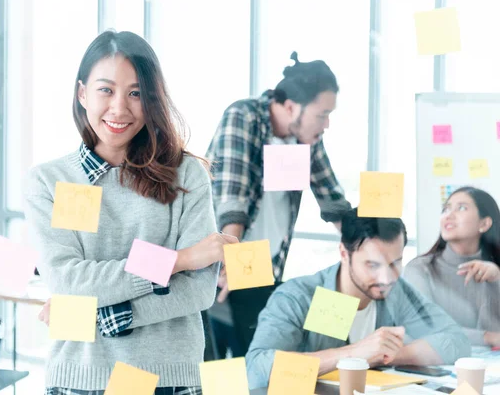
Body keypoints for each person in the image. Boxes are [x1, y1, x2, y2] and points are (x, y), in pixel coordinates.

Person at [25, 30, 238, 394]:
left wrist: (102, 313)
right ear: (82, 94)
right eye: (105, 90)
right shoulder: (49, 180)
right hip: (80, 379)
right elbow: (66, 280)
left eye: (136, 93)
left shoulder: (186, 174)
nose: (120, 108)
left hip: (168, 381)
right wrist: (179, 259)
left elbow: (199, 291)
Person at [205, 52, 352, 356]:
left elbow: (332, 199)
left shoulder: (305, 136)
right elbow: (233, 199)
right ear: (290, 106)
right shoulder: (243, 116)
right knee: (233, 365)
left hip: (263, 264)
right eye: (322, 114)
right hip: (227, 261)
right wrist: (230, 259)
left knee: (265, 355)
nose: (326, 124)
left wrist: (364, 242)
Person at [246, 208, 470, 389]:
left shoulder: (395, 290)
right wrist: (353, 355)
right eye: (372, 265)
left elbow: (456, 341)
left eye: (395, 263)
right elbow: (257, 368)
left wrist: (386, 354)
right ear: (344, 253)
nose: (385, 277)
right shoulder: (299, 295)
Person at [404, 187, 500, 347]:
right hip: (442, 366)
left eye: (461, 208)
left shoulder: (494, 271)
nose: (449, 215)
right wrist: (489, 337)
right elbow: (425, 328)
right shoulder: (420, 269)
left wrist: (497, 279)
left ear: (484, 223)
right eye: (445, 209)